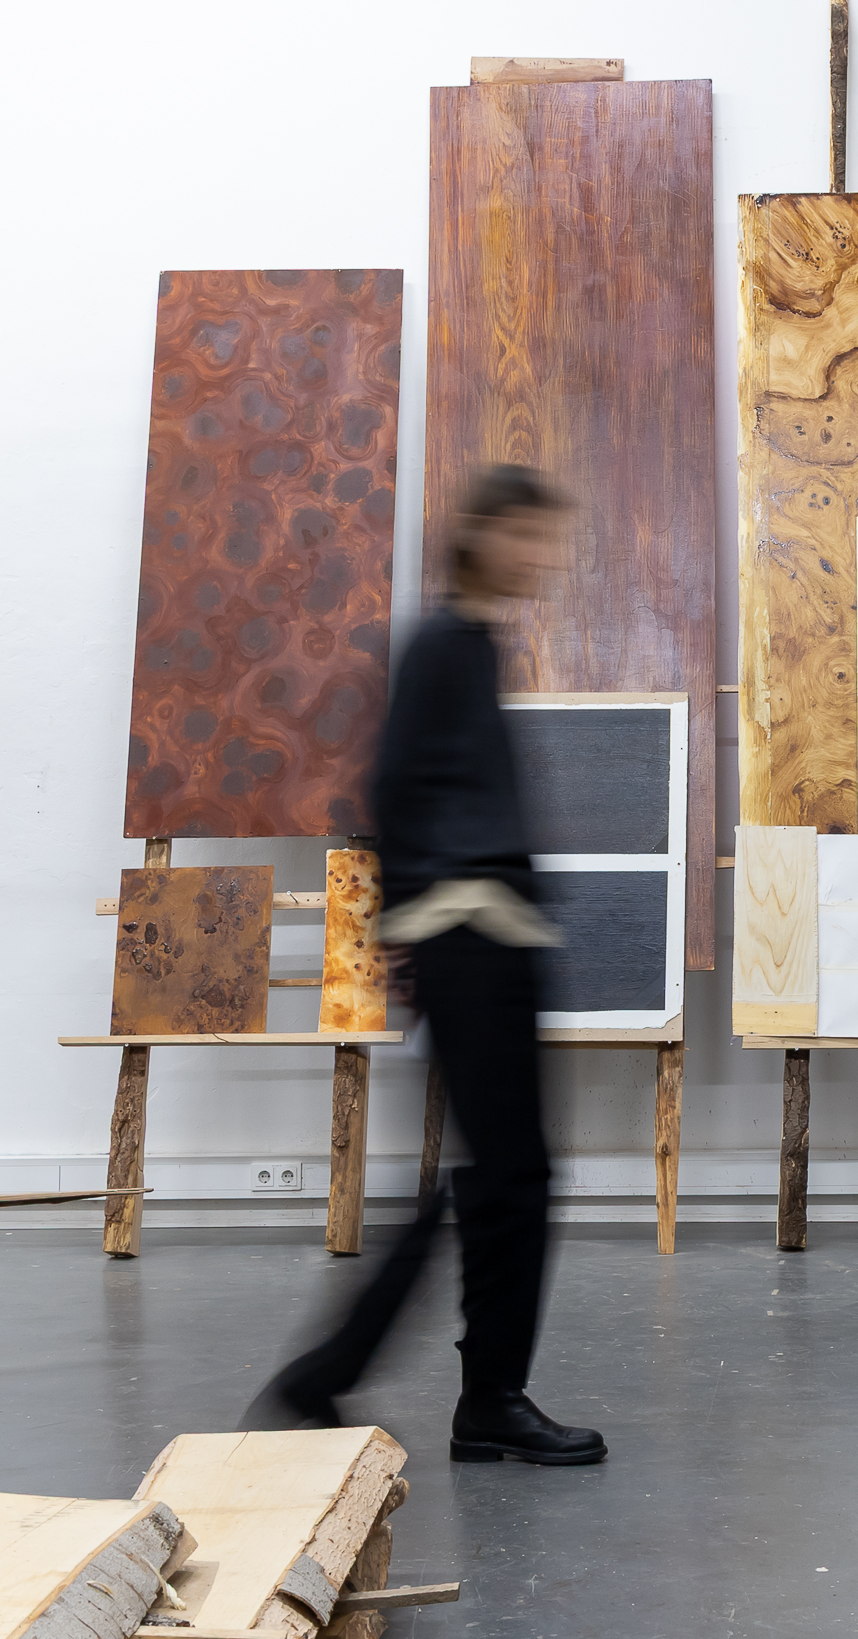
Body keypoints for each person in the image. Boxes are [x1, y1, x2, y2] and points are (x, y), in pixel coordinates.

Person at [255, 465, 605, 1466]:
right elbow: (393, 788)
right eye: (531, 537)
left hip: (489, 930)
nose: (547, 557)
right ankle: (439, 1391)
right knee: (507, 1174)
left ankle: (411, 1385)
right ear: (484, 534)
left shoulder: (475, 644)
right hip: (468, 930)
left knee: (504, 1174)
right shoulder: (445, 645)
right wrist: (421, 919)